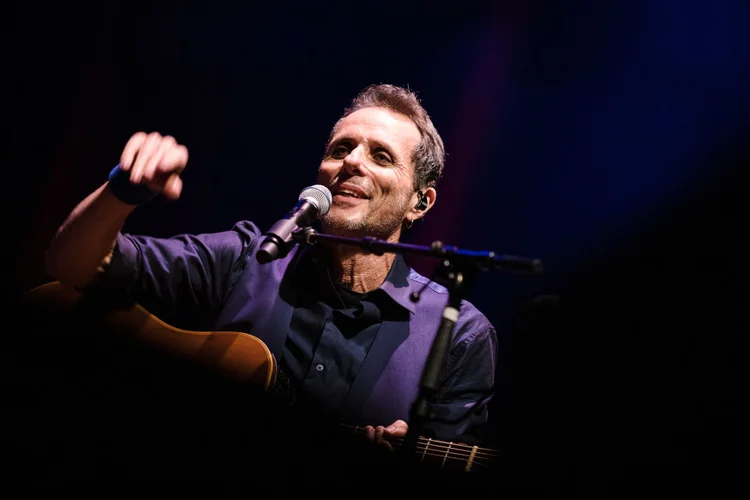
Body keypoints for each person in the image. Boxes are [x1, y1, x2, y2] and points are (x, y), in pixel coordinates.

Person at [42, 83, 499, 485]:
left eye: (380, 156)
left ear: (419, 202)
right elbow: (73, 266)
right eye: (340, 150)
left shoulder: (457, 332)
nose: (350, 163)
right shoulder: (248, 257)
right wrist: (124, 191)